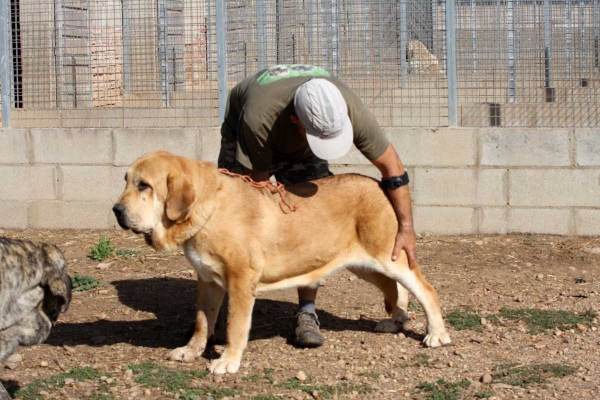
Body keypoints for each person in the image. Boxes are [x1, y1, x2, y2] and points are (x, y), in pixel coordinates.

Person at [218, 64, 416, 348]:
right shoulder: (259, 117)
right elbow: (255, 193)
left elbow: (393, 168)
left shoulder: (345, 106)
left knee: (315, 224)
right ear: (297, 120)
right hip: (245, 133)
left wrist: (406, 228)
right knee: (234, 221)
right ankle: (224, 309)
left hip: (294, 134)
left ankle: (306, 312)